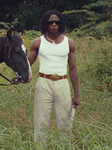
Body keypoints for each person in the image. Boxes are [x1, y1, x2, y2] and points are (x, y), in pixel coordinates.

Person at [27, 10, 80, 146]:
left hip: (62, 83)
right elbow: (26, 65)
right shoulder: (38, 43)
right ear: (46, 24)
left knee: (65, 122)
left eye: (57, 22)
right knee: (41, 121)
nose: (54, 24)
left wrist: (76, 94)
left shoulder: (69, 43)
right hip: (44, 83)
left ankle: (64, 147)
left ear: (61, 24)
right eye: (51, 22)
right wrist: (19, 78)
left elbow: (73, 69)